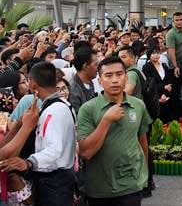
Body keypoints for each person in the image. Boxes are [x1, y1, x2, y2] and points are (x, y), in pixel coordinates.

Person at [77, 56, 150, 206]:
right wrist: (106, 120)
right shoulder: (88, 109)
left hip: (131, 185)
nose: (115, 80)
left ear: (126, 77)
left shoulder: (138, 105)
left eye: (119, 74)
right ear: (99, 80)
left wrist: (144, 174)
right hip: (100, 188)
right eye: (108, 75)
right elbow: (86, 152)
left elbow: (142, 140)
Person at [0, 62, 76, 206]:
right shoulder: (59, 106)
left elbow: (54, 149)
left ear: (33, 84)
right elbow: (2, 154)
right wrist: (23, 126)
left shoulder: (54, 110)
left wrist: (29, 162)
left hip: (55, 183)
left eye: (26, 81)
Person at [165, 12, 182, 121]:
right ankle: (175, 116)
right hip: (175, 67)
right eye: (176, 20)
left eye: (181, 19)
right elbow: (171, 51)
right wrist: (175, 66)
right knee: (175, 93)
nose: (179, 22)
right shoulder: (171, 34)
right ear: (173, 21)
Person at [142, 41, 174, 123]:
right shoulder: (146, 67)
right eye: (153, 53)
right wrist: (163, 87)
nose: (156, 55)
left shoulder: (164, 65)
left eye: (157, 53)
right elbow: (149, 84)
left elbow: (169, 81)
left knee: (167, 121)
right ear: (149, 55)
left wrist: (165, 93)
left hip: (166, 96)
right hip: (154, 98)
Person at [69, 47, 98, 113]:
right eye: (96, 64)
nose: (98, 68)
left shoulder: (89, 82)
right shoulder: (73, 91)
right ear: (85, 66)